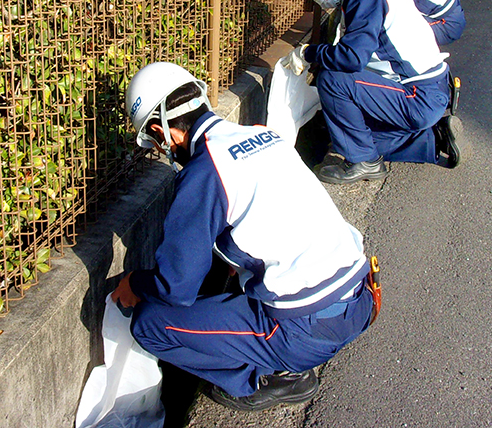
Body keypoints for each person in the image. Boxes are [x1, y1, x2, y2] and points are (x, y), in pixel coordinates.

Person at [111, 61, 377, 412]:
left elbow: (176, 288)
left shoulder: (203, 173)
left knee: (150, 325)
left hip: (308, 328)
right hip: (360, 294)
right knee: (236, 277)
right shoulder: (258, 134)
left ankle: (271, 377)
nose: (162, 150)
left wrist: (135, 283)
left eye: (156, 141)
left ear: (164, 132)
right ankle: (273, 354)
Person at [284, 0, 466, 185]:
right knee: (343, 132)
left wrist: (308, 53)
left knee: (333, 81)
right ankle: (433, 138)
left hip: (418, 95)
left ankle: (364, 161)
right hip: (428, 89)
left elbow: (352, 58)